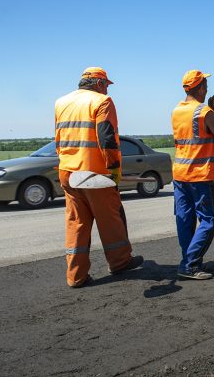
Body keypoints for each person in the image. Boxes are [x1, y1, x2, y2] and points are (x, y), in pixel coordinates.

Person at [55, 67, 144, 288]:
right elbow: (107, 138)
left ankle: (75, 276)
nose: (106, 89)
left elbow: (58, 139)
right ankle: (120, 262)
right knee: (111, 220)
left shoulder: (61, 102)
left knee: (77, 224)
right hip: (94, 173)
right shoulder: (102, 102)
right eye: (105, 84)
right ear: (97, 83)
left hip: (68, 171)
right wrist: (113, 169)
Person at [171, 70, 214, 280]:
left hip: (180, 174)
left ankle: (188, 260)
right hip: (199, 175)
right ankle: (190, 264)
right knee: (208, 220)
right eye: (205, 85)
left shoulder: (177, 110)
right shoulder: (204, 112)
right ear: (200, 88)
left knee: (185, 219)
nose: (206, 89)